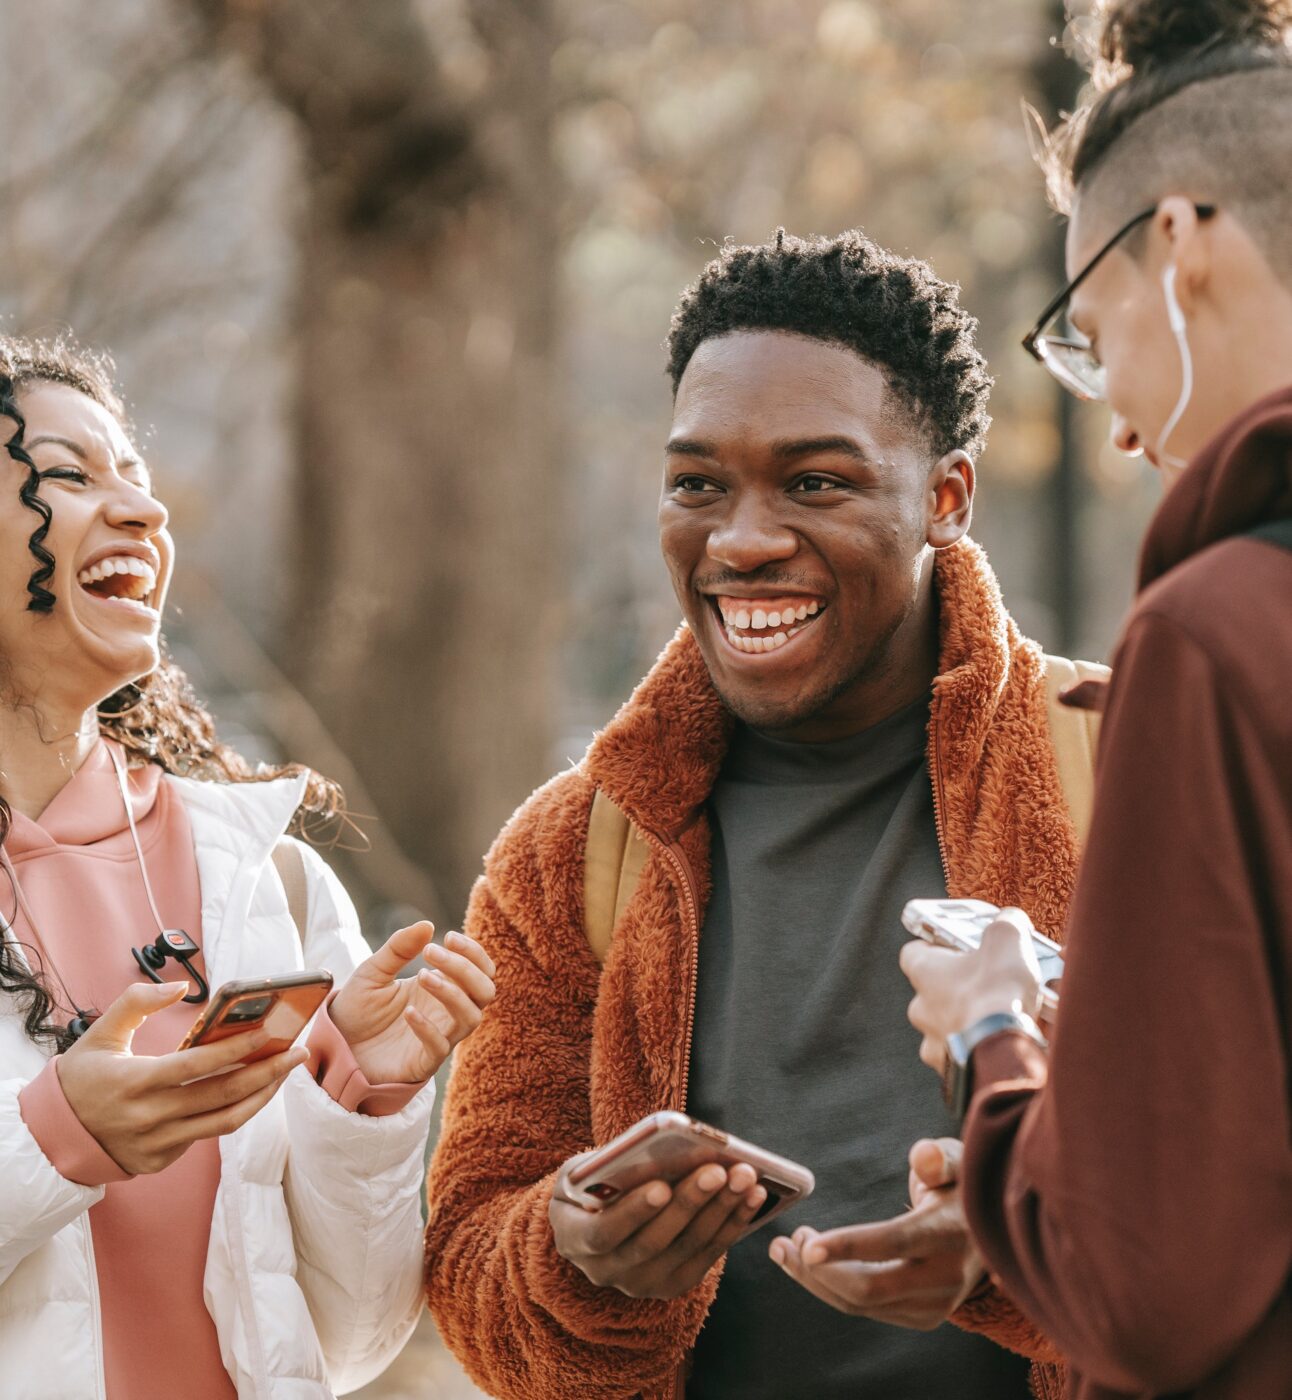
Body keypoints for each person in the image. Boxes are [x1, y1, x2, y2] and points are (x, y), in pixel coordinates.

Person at [425, 229, 1101, 1400]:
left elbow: (1240, 1211)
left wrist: (1009, 1244)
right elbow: (470, 1265)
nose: (739, 540)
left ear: (945, 497)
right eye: (697, 482)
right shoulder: (571, 851)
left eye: (814, 481)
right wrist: (578, 1255)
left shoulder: (1125, 765)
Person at [889, 3, 1292, 1398]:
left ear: (1180, 245)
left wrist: (999, 1038)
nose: (1116, 420)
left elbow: (1151, 1285)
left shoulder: (1215, 635)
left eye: (1089, 330)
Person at [0, 335, 497, 1400]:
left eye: (136, 477)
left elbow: (349, 1336)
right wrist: (58, 1136)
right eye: (70, 477)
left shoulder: (267, 881)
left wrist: (364, 1098)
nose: (143, 512)